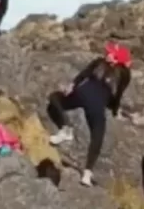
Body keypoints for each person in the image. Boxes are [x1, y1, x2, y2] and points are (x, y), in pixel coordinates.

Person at [47, 42, 132, 186]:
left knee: (54, 97)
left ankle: (66, 128)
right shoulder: (123, 74)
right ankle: (87, 172)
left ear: (116, 59)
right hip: (96, 105)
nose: (107, 54)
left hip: (81, 95)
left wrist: (72, 85)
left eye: (111, 53)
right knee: (97, 135)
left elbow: (83, 74)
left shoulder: (100, 62)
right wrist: (115, 110)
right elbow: (118, 95)